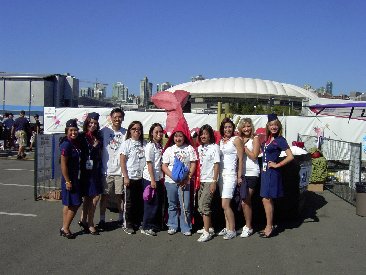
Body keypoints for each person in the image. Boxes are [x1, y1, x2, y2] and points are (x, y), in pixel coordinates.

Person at [260, 113, 294, 238]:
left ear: (279, 126)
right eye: (271, 125)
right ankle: (269, 225)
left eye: (276, 125)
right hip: (265, 172)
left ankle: (269, 226)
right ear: (268, 126)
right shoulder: (268, 139)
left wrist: (277, 165)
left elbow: (290, 156)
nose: (273, 127)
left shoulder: (280, 140)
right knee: (266, 199)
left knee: (266, 199)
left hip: (272, 173)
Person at [162, 117, 197, 236]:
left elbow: (193, 164)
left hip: (185, 181)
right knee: (172, 204)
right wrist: (174, 177)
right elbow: (164, 166)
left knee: (185, 205)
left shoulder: (189, 148)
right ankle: (172, 225)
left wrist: (187, 178)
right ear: (173, 137)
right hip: (171, 181)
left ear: (184, 137)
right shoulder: (169, 150)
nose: (178, 138)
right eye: (176, 136)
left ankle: (186, 226)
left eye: (180, 136)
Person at [99, 108, 127, 230]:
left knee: (120, 196)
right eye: (115, 117)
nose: (117, 119)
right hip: (106, 170)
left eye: (119, 117)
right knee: (104, 196)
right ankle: (102, 219)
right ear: (111, 118)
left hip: (120, 171)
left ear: (123, 118)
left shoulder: (125, 133)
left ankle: (121, 218)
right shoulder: (104, 131)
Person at [217, 117, 244, 240]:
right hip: (221, 176)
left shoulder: (236, 140)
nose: (227, 129)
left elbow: (240, 159)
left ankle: (232, 229)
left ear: (233, 128)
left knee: (225, 204)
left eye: (229, 127)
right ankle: (227, 227)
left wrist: (239, 176)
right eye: (225, 127)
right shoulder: (221, 141)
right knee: (224, 204)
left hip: (231, 175)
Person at [78, 112, 103, 235]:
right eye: (91, 123)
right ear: (87, 123)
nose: (93, 125)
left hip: (95, 169)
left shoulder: (98, 136)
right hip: (85, 170)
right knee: (94, 196)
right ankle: (91, 223)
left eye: (95, 123)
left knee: (90, 196)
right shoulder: (82, 136)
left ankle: (84, 220)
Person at [120, 121, 146, 234]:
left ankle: (137, 221)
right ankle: (127, 224)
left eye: (139, 129)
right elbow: (122, 161)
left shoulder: (144, 143)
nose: (137, 131)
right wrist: (125, 176)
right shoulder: (126, 143)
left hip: (141, 177)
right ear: (130, 131)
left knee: (139, 201)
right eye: (134, 129)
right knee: (129, 202)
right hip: (130, 177)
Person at [196, 124, 220, 242]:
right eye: (202, 134)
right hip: (200, 180)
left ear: (210, 135)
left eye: (205, 133)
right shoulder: (199, 148)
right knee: (200, 206)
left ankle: (206, 233)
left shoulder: (214, 147)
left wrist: (214, 181)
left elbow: (216, 165)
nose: (203, 136)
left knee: (205, 205)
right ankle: (209, 227)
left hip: (210, 180)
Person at [237, 118, 260, 238]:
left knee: (245, 201)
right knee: (244, 201)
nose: (246, 129)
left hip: (252, 173)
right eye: (244, 126)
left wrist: (243, 147)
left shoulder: (255, 139)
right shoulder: (239, 139)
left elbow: (255, 156)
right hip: (241, 173)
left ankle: (249, 226)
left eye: (248, 126)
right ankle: (247, 225)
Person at [59, 119, 82, 239]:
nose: (74, 132)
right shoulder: (66, 144)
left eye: (75, 130)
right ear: (67, 131)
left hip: (75, 178)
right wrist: (67, 180)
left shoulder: (75, 143)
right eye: (71, 130)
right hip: (70, 179)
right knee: (76, 203)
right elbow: (63, 164)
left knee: (68, 204)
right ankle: (66, 228)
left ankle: (64, 226)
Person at [141, 123, 164, 236]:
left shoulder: (159, 146)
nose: (159, 134)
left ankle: (154, 225)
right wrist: (152, 180)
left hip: (158, 177)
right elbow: (149, 164)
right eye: (156, 132)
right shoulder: (150, 146)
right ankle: (146, 226)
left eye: (161, 132)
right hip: (150, 178)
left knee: (156, 202)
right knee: (149, 202)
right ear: (151, 133)